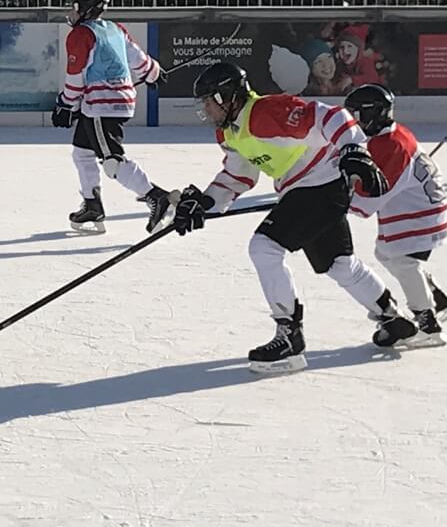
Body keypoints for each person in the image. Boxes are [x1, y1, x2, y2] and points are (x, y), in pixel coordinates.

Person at [171, 62, 419, 374]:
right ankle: (392, 317)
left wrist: (354, 151)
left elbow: (331, 116)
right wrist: (206, 203)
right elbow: (238, 175)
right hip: (308, 190)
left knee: (264, 247)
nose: (206, 110)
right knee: (340, 264)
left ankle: (289, 336)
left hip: (320, 184)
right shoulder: (230, 132)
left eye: (208, 101)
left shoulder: (266, 112)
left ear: (226, 96)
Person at [52, 0, 173, 234]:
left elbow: (76, 75)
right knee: (81, 151)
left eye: (73, 6)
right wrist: (154, 73)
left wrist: (65, 103)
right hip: (115, 101)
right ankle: (92, 204)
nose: (70, 11)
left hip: (100, 105)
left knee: (111, 162)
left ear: (83, 7)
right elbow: (139, 59)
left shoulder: (81, 34)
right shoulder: (115, 29)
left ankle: (155, 196)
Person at [344, 84, 447, 345]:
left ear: (372, 114)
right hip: (417, 207)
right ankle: (435, 297)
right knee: (385, 253)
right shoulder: (387, 137)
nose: (353, 122)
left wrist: (343, 202)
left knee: (403, 262)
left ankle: (429, 325)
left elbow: (373, 196)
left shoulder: (391, 146)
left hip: (420, 213)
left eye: (357, 115)